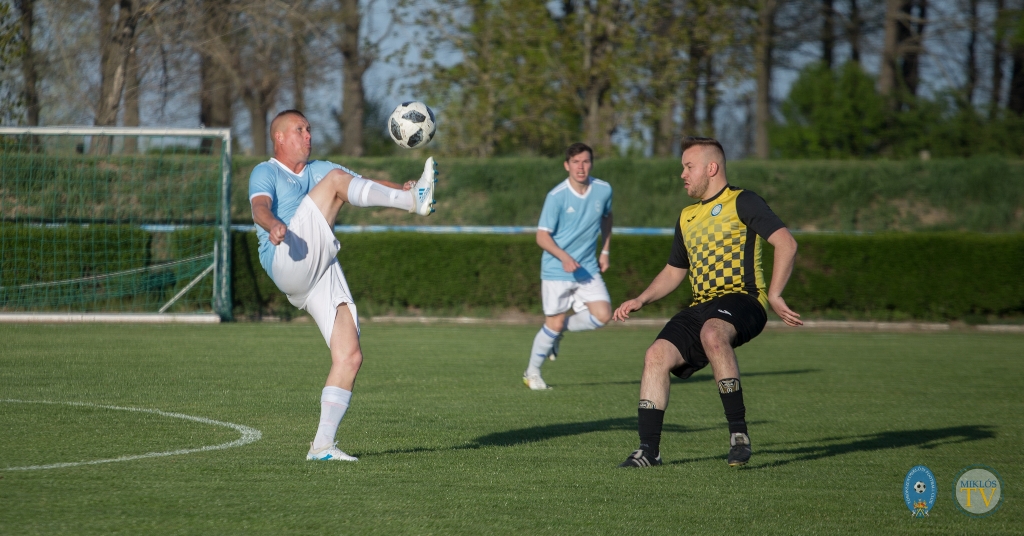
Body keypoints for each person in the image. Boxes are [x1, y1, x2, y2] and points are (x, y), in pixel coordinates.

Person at [248, 109, 437, 462]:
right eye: (300, 130)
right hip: (287, 257)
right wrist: (273, 224)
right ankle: (414, 204)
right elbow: (260, 207)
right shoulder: (266, 171)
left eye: (309, 129)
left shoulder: (321, 168)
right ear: (279, 138)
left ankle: (322, 446)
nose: (308, 135)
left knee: (349, 356)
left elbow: (362, 186)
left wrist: (404, 188)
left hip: (316, 271)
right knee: (336, 179)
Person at [612, 136, 802, 468]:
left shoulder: (743, 201)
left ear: (711, 168)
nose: (682, 174)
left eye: (688, 167)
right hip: (702, 304)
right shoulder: (686, 217)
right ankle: (648, 450)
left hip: (743, 300)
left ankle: (739, 435)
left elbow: (786, 243)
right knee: (656, 355)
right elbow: (674, 271)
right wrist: (641, 298)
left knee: (713, 334)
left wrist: (773, 294)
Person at [522, 142, 613, 390]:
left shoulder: (603, 190)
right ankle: (532, 373)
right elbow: (542, 237)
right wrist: (563, 256)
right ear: (567, 165)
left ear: (591, 164)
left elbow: (607, 216)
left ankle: (558, 332)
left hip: (587, 269)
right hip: (556, 270)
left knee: (604, 315)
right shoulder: (556, 196)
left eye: (585, 161)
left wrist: (605, 250)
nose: (581, 167)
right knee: (553, 323)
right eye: (575, 162)